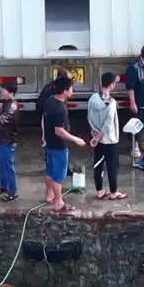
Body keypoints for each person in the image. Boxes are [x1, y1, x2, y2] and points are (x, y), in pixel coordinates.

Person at [43, 76, 88, 213]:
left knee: (50, 171)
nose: (72, 90)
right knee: (59, 176)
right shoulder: (59, 109)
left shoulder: (50, 100)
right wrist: (76, 139)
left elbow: (43, 119)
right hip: (59, 146)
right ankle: (59, 203)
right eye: (71, 88)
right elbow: (59, 131)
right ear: (65, 91)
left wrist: (44, 136)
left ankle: (49, 195)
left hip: (49, 144)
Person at [87, 72, 126, 201]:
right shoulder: (112, 103)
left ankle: (99, 191)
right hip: (109, 139)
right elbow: (108, 124)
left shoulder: (93, 99)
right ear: (111, 85)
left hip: (96, 138)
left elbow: (89, 117)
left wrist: (94, 134)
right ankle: (113, 192)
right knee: (112, 166)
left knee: (98, 164)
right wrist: (99, 137)